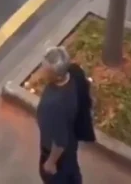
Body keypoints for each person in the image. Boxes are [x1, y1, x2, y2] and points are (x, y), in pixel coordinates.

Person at [36, 45, 95, 183]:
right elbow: (86, 90)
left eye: (44, 68)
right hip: (72, 141)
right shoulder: (75, 72)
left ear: (56, 76)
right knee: (73, 171)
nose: (41, 70)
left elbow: (60, 142)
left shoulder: (52, 105)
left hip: (55, 153)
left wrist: (50, 162)